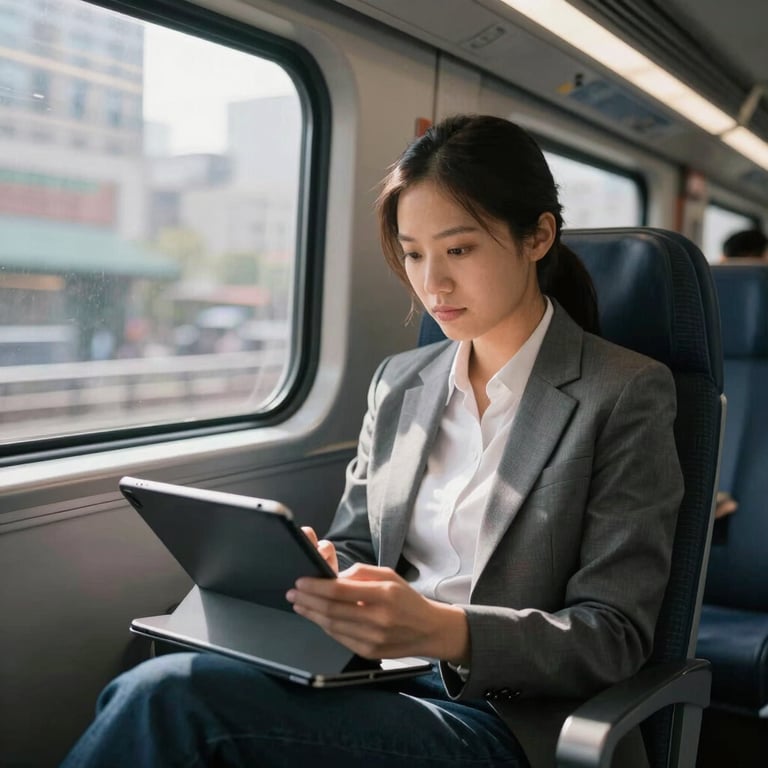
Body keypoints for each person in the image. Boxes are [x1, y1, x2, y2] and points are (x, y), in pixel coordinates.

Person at [60, 115, 683, 768]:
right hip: (374, 674)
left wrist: (448, 630)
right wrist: (324, 571)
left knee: (174, 701)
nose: (432, 283)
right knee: (166, 654)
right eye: (414, 253)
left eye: (460, 249)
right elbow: (360, 544)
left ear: (538, 236)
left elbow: (612, 636)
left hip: (504, 717)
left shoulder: (624, 392)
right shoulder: (400, 382)